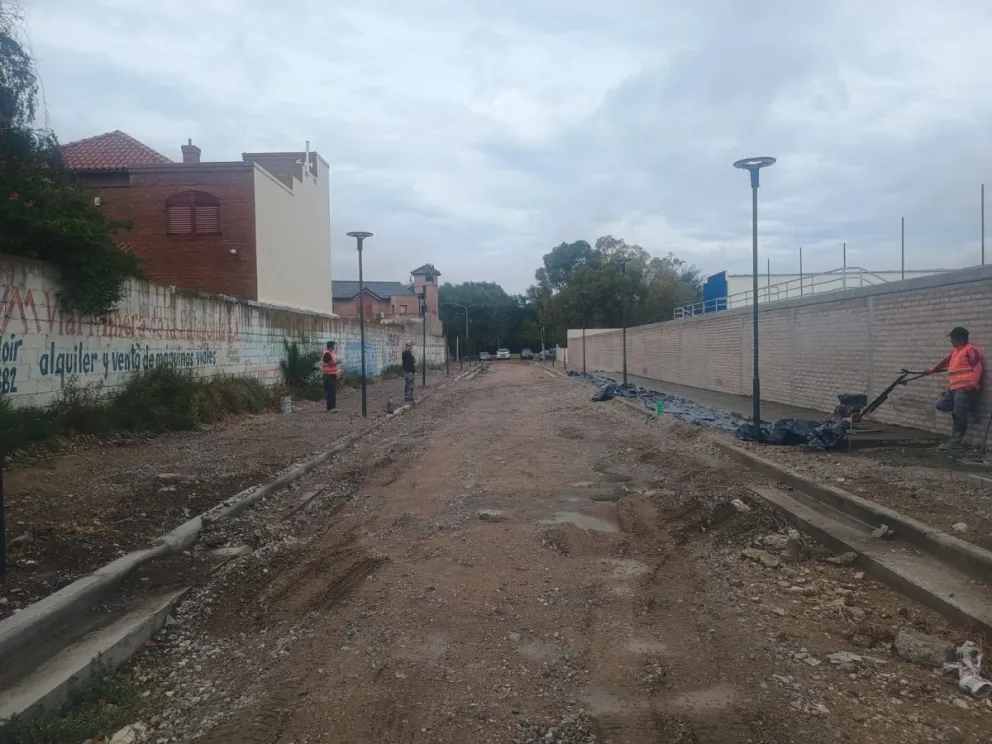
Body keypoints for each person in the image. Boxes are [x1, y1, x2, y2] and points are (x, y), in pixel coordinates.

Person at [926, 326, 983, 450]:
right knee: (941, 404)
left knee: (958, 416)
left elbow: (977, 367)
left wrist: (973, 384)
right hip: (953, 388)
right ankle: (968, 407)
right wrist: (932, 370)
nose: (950, 341)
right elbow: (945, 361)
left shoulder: (970, 350)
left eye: (952, 338)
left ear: (959, 338)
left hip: (965, 388)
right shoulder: (956, 351)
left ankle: (955, 444)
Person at [321, 340, 339, 412]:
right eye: (334, 345)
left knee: (332, 392)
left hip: (331, 375)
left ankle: (332, 407)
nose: (334, 347)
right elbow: (331, 363)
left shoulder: (330, 354)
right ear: (331, 346)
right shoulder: (327, 354)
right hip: (328, 376)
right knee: (330, 392)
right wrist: (338, 362)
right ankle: (330, 408)